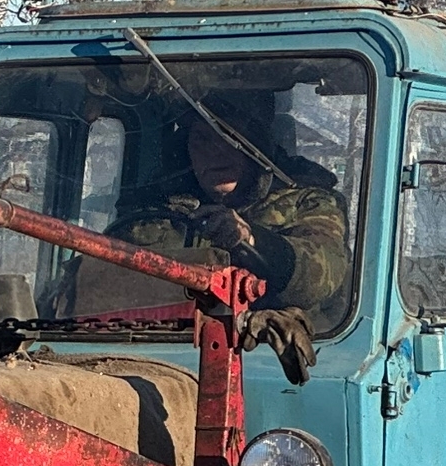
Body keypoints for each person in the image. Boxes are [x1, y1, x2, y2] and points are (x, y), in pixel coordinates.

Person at [113, 88, 350, 314]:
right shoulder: (159, 210)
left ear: (256, 145)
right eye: (201, 139)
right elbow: (106, 276)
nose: (214, 152)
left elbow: (322, 274)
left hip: (262, 351)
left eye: (228, 137)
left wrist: (252, 241)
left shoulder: (308, 201)